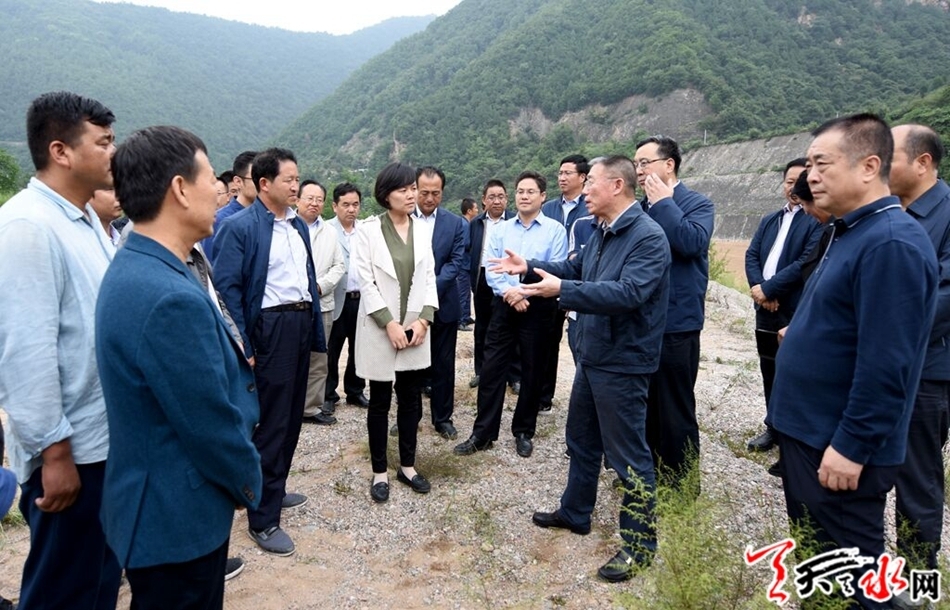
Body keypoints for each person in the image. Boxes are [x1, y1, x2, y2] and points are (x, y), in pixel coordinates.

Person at [770, 114, 937, 610]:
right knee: (823, 570)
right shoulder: (851, 231)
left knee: (850, 580)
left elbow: (888, 364)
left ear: (868, 166)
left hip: (836, 447)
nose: (810, 176)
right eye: (809, 165)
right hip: (809, 434)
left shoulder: (891, 243)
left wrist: (852, 446)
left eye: (822, 164)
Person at [97, 125, 262, 609]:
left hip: (155, 506)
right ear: (180, 188)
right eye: (211, 178)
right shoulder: (167, 295)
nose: (219, 190)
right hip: (176, 516)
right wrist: (248, 481)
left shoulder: (141, 263)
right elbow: (208, 422)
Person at [492, 156, 670, 582]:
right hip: (594, 354)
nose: (584, 191)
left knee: (628, 456)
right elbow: (576, 269)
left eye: (591, 184)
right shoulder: (602, 230)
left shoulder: (648, 236)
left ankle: (640, 546)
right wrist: (530, 268)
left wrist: (563, 289)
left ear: (617, 186)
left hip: (623, 361)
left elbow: (628, 293)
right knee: (582, 439)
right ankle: (576, 512)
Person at [0, 91, 122, 609]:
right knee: (64, 592)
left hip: (100, 444)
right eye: (104, 142)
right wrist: (54, 453)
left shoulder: (84, 220)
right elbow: (25, 352)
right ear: (61, 151)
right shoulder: (29, 225)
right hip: (72, 453)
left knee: (97, 584)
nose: (113, 152)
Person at [214, 148, 326, 557]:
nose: (296, 186)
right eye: (289, 179)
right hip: (270, 329)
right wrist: (244, 344)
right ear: (264, 183)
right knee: (272, 423)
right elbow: (226, 291)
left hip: (299, 323)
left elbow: (307, 280)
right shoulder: (240, 227)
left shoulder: (297, 226)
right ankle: (262, 517)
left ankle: (272, 489)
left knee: (292, 417)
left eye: (298, 178)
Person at [454, 171, 567, 458]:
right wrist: (510, 293)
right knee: (492, 369)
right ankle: (483, 433)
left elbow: (556, 268)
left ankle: (523, 431)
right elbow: (492, 269)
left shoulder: (555, 230)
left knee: (532, 370)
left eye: (531, 191)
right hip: (504, 306)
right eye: (520, 191)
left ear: (543, 196)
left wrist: (524, 292)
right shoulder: (502, 230)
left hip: (538, 307)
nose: (524, 196)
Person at [353, 162, 437, 503]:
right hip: (380, 328)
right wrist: (389, 323)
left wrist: (424, 321)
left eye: (412, 188)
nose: (411, 194)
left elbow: (429, 278)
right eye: (404, 190)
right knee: (379, 402)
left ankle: (408, 466)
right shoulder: (368, 231)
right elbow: (366, 281)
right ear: (386, 195)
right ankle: (379, 472)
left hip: (415, 328)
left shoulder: (422, 230)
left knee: (410, 400)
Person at [889, 124, 950, 581]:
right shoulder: (895, 213)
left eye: (888, 155)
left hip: (928, 369)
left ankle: (916, 577)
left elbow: (941, 300)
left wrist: (877, 331)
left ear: (922, 162)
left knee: (918, 475)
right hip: (890, 363)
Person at [635, 135, 714, 491]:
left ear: (669, 165)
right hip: (640, 320)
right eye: (636, 164)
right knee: (645, 403)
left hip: (677, 322)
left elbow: (691, 242)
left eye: (645, 163)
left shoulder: (696, 204)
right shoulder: (638, 208)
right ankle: (648, 473)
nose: (639, 170)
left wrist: (665, 203)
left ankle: (682, 484)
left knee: (675, 406)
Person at [744, 159, 822, 460]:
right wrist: (759, 289)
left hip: (793, 308)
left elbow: (805, 262)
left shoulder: (815, 220)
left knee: (794, 371)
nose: (793, 187)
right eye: (789, 181)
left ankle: (793, 435)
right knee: (769, 368)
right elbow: (752, 255)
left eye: (799, 181)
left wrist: (771, 289)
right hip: (765, 308)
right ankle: (773, 427)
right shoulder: (771, 219)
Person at [413, 167, 466, 439]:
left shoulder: (454, 223)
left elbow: (455, 263)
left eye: (436, 193)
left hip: (444, 304)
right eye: (424, 193)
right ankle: (409, 416)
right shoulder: (401, 218)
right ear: (414, 189)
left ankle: (442, 418)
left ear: (442, 193)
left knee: (443, 364)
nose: (429, 198)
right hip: (409, 304)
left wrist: (429, 289)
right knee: (410, 364)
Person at [538, 154, 590, 412]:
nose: (562, 177)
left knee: (580, 343)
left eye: (568, 173)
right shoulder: (548, 208)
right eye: (560, 173)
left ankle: (586, 400)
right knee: (547, 343)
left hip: (579, 285)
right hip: (550, 282)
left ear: (582, 177)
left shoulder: (590, 206)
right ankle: (543, 397)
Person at [297, 179, 345, 426]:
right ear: (297, 199)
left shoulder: (329, 232)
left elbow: (339, 266)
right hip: (293, 304)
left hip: (323, 304)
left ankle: (310, 407)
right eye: (310, 198)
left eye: (319, 200)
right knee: (291, 355)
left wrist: (320, 286)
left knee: (319, 357)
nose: (314, 204)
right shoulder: (286, 227)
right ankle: (288, 406)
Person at [325, 182, 371, 410]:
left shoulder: (365, 231)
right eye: (346, 204)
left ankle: (355, 390)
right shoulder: (326, 230)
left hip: (360, 299)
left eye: (355, 204)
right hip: (336, 299)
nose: (351, 209)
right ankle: (328, 394)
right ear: (335, 206)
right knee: (332, 350)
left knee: (358, 349)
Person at [467, 179, 516, 389]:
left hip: (507, 279)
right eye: (492, 197)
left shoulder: (515, 221)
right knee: (482, 327)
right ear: (484, 200)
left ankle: (513, 375)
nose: (497, 201)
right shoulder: (476, 223)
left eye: (501, 196)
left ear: (507, 198)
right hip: (482, 279)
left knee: (510, 326)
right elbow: (469, 252)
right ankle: (481, 371)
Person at [201, 150, 257, 261]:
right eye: (255, 179)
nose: (262, 184)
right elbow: (209, 263)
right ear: (238, 181)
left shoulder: (269, 217)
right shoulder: (219, 220)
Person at [457, 197, 479, 330]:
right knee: (463, 292)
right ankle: (461, 320)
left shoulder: (465, 223)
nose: (477, 210)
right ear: (469, 211)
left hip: (466, 264)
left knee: (466, 292)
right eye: (476, 208)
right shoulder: (465, 225)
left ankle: (466, 316)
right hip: (463, 264)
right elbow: (465, 243)